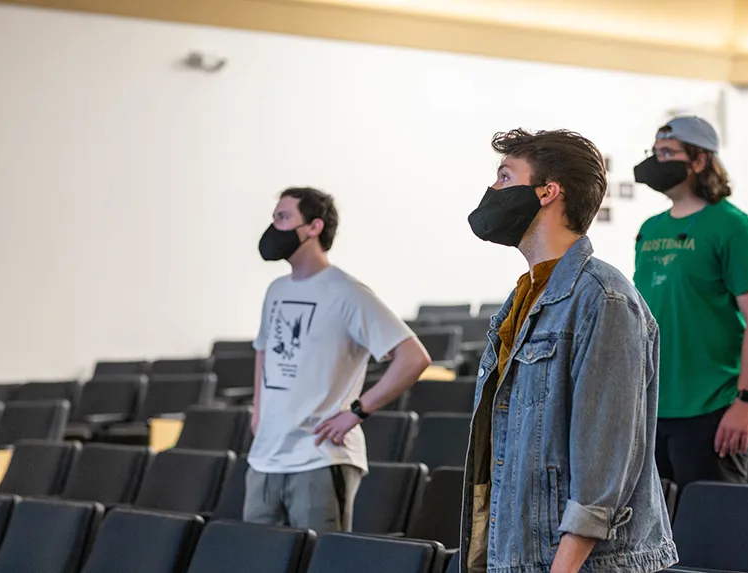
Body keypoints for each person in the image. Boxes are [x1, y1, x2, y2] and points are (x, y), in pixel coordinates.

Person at [460, 130, 678, 573]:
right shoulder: (525, 297)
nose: (493, 191)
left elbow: (605, 460)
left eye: (505, 177)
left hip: (576, 564)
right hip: (519, 552)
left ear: (547, 192)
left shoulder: (605, 298)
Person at [245, 186, 431, 532]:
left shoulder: (346, 292)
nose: (274, 227)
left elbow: (413, 357)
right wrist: (259, 411)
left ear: (314, 227)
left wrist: (357, 412)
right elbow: (263, 349)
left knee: (320, 560)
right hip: (265, 458)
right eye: (274, 218)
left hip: (319, 457)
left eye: (283, 217)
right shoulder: (276, 290)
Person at [633, 116, 748, 488]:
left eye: (667, 152)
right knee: (652, 540)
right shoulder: (650, 230)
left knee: (712, 533)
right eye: (654, 152)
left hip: (712, 408)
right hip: (652, 407)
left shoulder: (734, 228)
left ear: (699, 160)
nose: (657, 161)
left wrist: (746, 402)